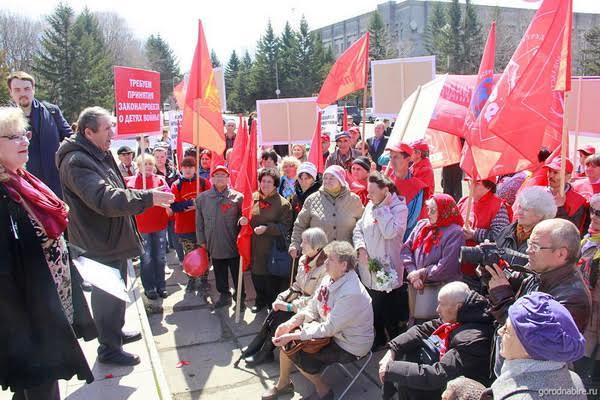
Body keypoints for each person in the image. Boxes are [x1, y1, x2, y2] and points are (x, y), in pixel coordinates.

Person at [56, 106, 174, 366]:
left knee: (116, 290)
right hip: (97, 242)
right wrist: (149, 197)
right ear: (88, 132)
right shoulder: (77, 161)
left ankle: (114, 333)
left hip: (110, 238)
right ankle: (108, 348)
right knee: (106, 295)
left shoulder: (97, 153)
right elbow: (104, 198)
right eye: (108, 128)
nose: (113, 133)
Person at [0, 107, 95, 399]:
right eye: (12, 136)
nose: (23, 141)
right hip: (28, 315)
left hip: (52, 301)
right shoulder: (4, 194)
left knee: (37, 383)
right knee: (42, 378)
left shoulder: (24, 179)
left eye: (24, 134)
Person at [264, 241, 374, 400]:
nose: (325, 262)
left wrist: (294, 335)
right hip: (334, 332)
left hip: (350, 344)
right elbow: (313, 306)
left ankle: (324, 391)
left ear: (344, 265)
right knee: (288, 340)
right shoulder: (329, 278)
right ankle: (283, 384)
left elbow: (329, 328)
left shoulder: (352, 292)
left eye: (330, 259)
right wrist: (290, 324)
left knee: (295, 349)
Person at [485, 218, 591, 376]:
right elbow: (516, 279)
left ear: (561, 254)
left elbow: (530, 337)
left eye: (535, 246)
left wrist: (502, 296)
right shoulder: (543, 272)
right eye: (528, 244)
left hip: (535, 378)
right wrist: (492, 270)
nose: (528, 251)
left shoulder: (573, 296)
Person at [379, 282, 493, 400]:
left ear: (458, 306)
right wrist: (393, 349)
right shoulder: (465, 312)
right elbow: (422, 329)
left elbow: (438, 375)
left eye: (441, 304)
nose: (437, 309)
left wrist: (390, 369)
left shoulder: (471, 339)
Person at [242, 227, 329, 367]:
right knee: (274, 311)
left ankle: (266, 351)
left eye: (304, 243)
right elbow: (296, 286)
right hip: (300, 300)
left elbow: (316, 299)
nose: (300, 245)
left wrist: (289, 306)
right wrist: (281, 298)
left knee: (281, 317)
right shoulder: (303, 259)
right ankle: (258, 344)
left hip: (313, 309)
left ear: (316, 247)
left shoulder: (325, 268)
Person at [489, 292, 587, 400]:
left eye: (507, 329)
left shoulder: (522, 397)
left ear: (528, 348)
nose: (500, 331)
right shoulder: (573, 378)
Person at [353, 172, 408, 349]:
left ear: (385, 190)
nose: (368, 196)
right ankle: (378, 337)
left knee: (389, 310)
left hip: (388, 269)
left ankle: (395, 343)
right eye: (368, 192)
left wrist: (382, 209)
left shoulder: (399, 209)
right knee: (372, 306)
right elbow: (358, 228)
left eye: (372, 192)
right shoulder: (370, 204)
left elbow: (390, 232)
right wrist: (360, 247)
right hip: (368, 266)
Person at [7, 71, 72, 198]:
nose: (23, 94)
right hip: (22, 187)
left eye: (27, 89)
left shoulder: (51, 111)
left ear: (33, 89)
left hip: (56, 185)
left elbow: (70, 138)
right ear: (10, 92)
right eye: (17, 90)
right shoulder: (4, 120)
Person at [196, 165, 246, 309]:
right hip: (214, 243)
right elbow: (199, 222)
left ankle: (240, 299)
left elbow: (244, 219)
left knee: (237, 273)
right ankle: (224, 296)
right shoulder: (203, 198)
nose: (220, 178)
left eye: (223, 175)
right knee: (219, 271)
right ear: (211, 178)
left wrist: (243, 222)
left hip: (233, 244)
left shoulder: (238, 197)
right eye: (216, 175)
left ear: (228, 178)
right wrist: (202, 241)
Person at [289, 165, 364, 259]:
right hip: (319, 257)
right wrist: (295, 244)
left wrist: (361, 248)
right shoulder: (312, 199)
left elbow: (362, 226)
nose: (327, 181)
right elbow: (300, 225)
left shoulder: (354, 200)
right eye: (325, 178)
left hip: (346, 257)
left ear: (340, 180)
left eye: (332, 178)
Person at [125, 154, 170, 300]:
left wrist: (168, 202)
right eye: (145, 164)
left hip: (160, 224)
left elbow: (169, 195)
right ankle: (149, 288)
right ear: (138, 166)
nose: (149, 167)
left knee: (160, 257)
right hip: (142, 226)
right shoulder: (131, 182)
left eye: (151, 164)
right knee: (146, 258)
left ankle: (161, 286)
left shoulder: (160, 180)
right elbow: (128, 200)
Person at [401, 194, 465, 294]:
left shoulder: (455, 233)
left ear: (445, 212)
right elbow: (406, 249)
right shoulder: (422, 224)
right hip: (416, 283)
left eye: (433, 210)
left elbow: (447, 266)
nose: (429, 213)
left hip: (442, 289)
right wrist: (412, 272)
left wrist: (421, 273)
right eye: (428, 209)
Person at [249, 168, 293, 313]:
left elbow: (285, 227)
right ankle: (259, 300)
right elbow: (246, 215)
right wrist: (243, 221)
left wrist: (267, 228)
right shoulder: (252, 197)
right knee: (256, 274)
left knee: (269, 277)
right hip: (254, 245)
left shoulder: (283, 204)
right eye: (263, 181)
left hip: (272, 246)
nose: (265, 184)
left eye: (269, 181)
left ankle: (271, 304)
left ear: (275, 184)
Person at [458, 178, 511, 281]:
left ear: (489, 186)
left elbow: (500, 237)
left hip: (481, 271)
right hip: (458, 264)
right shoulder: (464, 201)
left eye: (477, 182)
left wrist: (475, 234)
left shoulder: (498, 206)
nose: (471, 185)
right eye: (469, 181)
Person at [171, 156, 211, 291]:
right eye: (185, 167)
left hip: (203, 226)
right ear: (181, 168)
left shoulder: (204, 183)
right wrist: (190, 203)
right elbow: (174, 206)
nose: (188, 170)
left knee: (204, 253)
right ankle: (192, 279)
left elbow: (211, 202)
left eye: (191, 167)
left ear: (195, 169)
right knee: (190, 254)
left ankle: (204, 279)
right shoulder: (177, 185)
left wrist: (197, 207)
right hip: (185, 228)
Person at [575, 193, 600, 386]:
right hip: (581, 325)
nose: (593, 216)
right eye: (591, 210)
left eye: (599, 213)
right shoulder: (586, 242)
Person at [495, 186, 557, 257]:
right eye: (519, 207)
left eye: (526, 209)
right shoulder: (507, 231)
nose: (519, 212)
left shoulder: (546, 242)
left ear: (540, 214)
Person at [387, 143, 427, 240]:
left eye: (396, 157)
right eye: (390, 157)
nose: (392, 161)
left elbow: (410, 221)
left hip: (403, 240)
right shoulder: (385, 180)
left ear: (408, 159)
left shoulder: (417, 187)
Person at [544, 157, 588, 234]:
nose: (550, 175)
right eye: (549, 171)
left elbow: (572, 231)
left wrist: (560, 208)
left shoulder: (577, 201)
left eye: (556, 172)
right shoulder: (538, 194)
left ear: (568, 176)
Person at [154, 146, 182, 262]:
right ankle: (162, 261)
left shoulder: (173, 171)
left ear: (166, 157)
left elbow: (179, 185)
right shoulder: (151, 171)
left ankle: (181, 258)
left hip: (173, 206)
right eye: (157, 157)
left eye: (162, 156)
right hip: (159, 208)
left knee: (174, 233)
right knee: (160, 237)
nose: (160, 159)